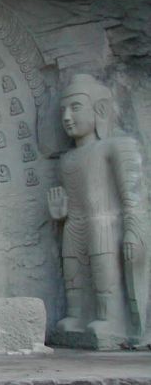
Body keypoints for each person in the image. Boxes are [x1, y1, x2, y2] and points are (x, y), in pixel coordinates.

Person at [48, 74, 148, 341]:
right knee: (73, 274)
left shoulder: (116, 147)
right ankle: (77, 315)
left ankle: (110, 318)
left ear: (100, 110)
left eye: (75, 107)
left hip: (103, 223)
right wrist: (60, 213)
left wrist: (133, 231)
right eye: (63, 110)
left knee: (104, 271)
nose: (66, 117)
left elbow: (132, 196)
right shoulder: (67, 159)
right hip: (74, 224)